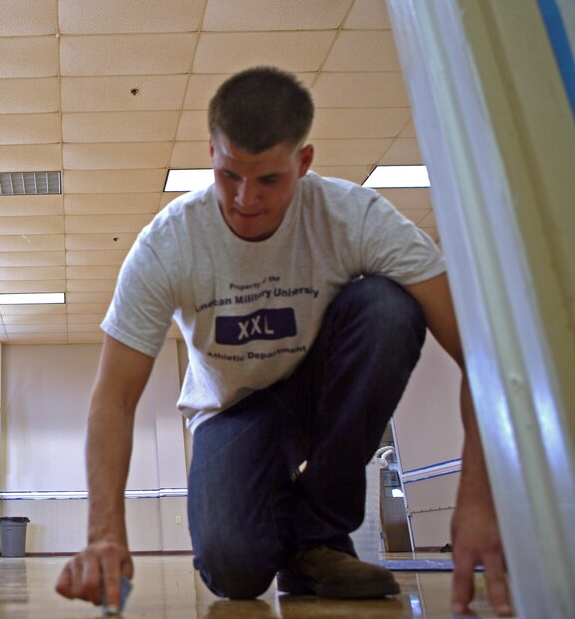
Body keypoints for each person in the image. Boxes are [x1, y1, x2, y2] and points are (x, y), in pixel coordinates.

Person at [55, 67, 511, 615]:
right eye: (229, 176)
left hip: (317, 389)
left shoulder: (354, 217)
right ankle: (293, 541)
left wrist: (480, 499)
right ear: (212, 154)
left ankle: (318, 534)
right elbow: (115, 399)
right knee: (234, 571)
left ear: (304, 161)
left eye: (268, 180)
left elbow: (484, 356)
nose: (245, 200)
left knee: (388, 308)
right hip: (232, 412)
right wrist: (104, 533)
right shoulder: (168, 244)